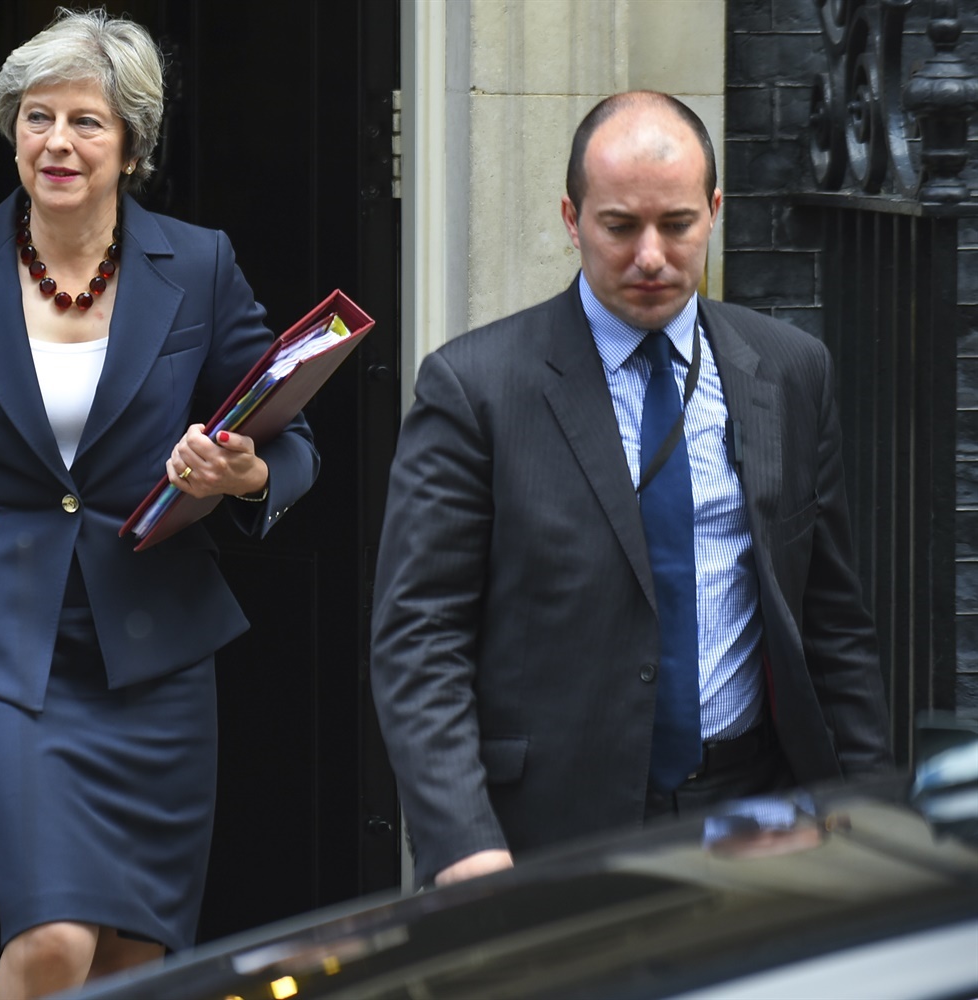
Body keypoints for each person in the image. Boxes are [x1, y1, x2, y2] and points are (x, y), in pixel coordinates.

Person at [0, 10, 319, 997]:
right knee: (53, 937)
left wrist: (243, 477)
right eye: (36, 116)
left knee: (134, 959)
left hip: (155, 651)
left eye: (86, 121)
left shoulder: (199, 266)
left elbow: (289, 441)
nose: (57, 141)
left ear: (132, 144)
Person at [370, 91, 891, 890]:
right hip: (549, 831)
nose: (651, 256)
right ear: (572, 218)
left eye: (676, 224)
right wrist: (462, 841)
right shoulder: (475, 388)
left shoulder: (789, 370)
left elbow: (831, 623)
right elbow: (420, 637)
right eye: (620, 227)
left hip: (759, 811)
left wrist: (868, 816)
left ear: (715, 211)